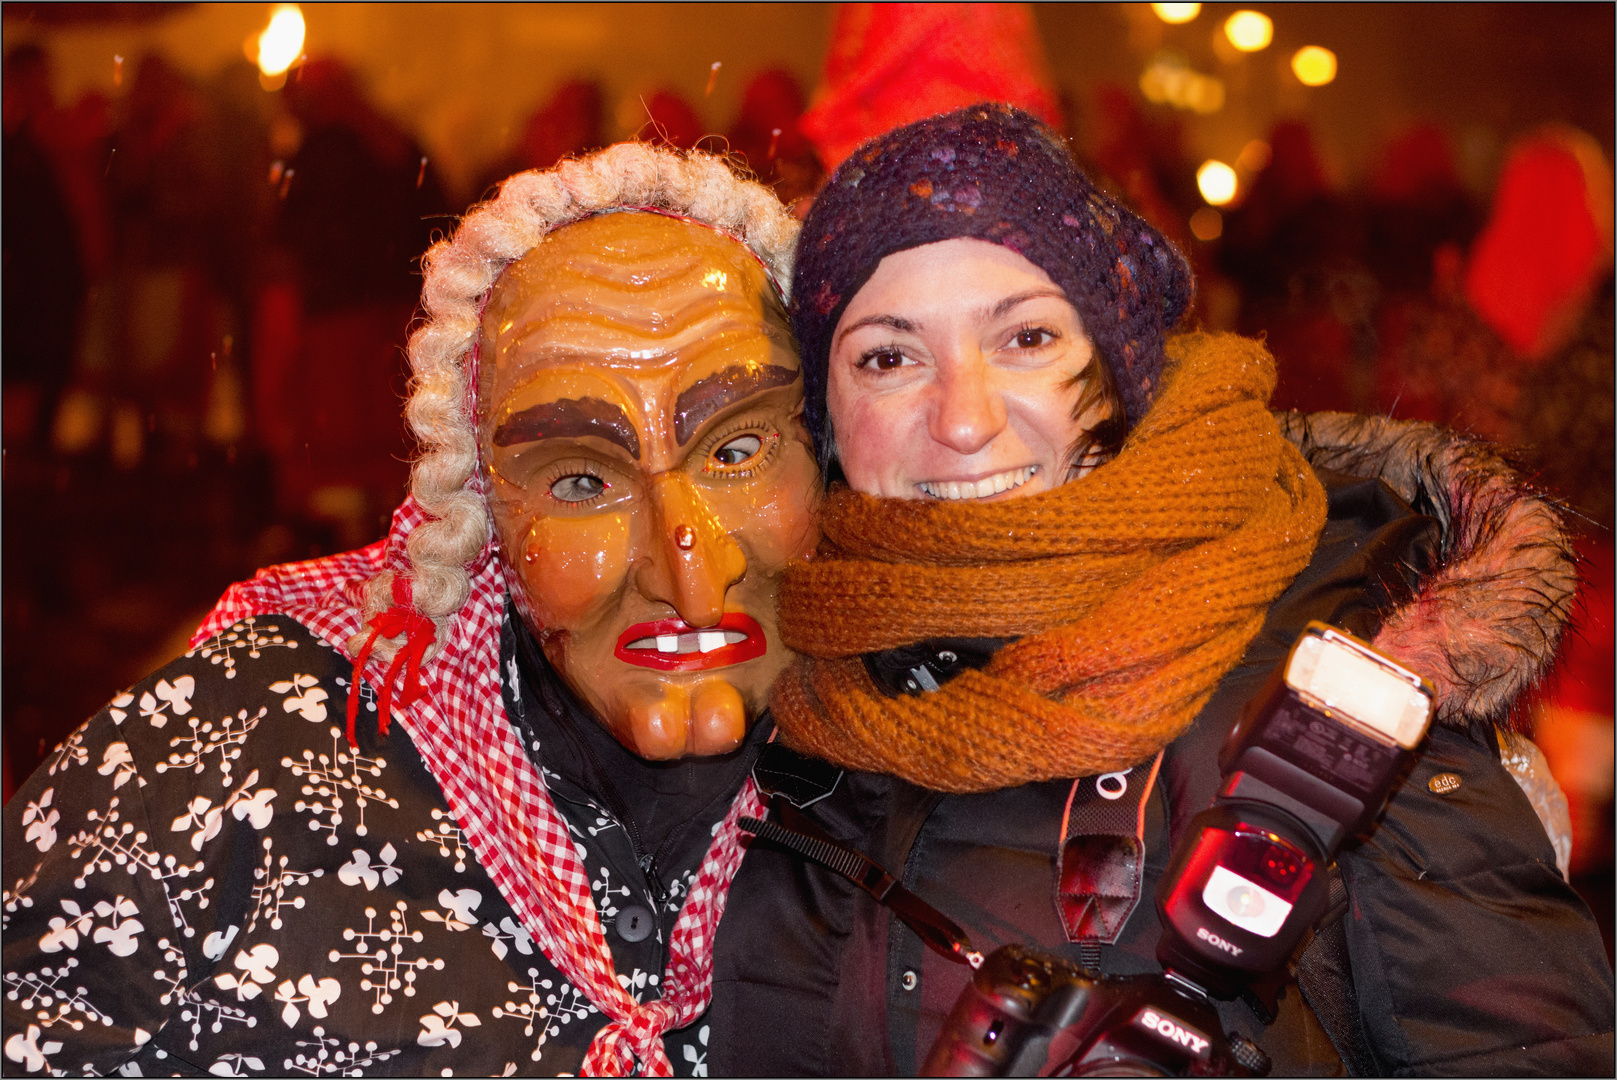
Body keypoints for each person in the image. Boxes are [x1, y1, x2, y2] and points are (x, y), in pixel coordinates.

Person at [707, 105, 1614, 1075]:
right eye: (889, 355)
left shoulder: (1341, 674)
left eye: (1025, 339)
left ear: (1115, 366)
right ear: (823, 412)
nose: (964, 417)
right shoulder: (748, 689)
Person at [2, 142, 813, 1076]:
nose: (688, 572)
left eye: (739, 451)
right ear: (482, 509)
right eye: (582, 479)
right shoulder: (231, 761)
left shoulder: (924, 784)